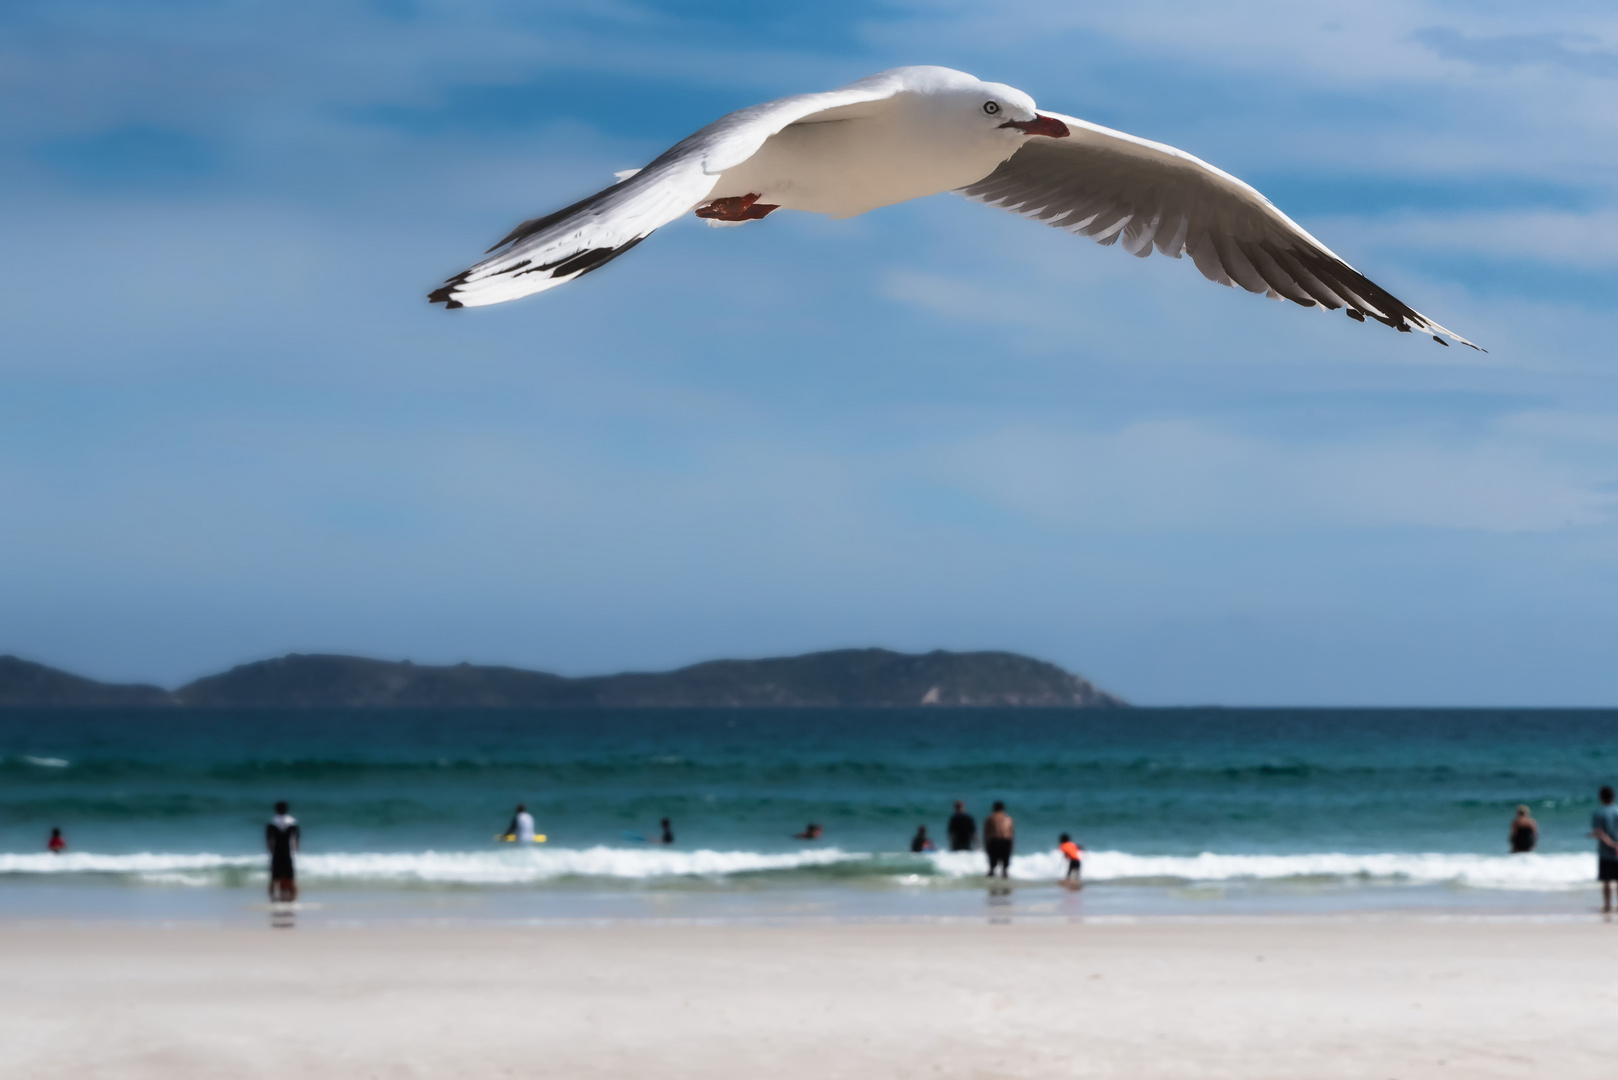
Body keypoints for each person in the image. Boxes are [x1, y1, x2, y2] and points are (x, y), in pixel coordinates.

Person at [266, 801, 300, 903]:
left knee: (274, 878)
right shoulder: (292, 822)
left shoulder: (272, 822)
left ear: (276, 809)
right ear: (286, 809)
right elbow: (296, 840)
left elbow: (269, 840)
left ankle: (272, 900)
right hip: (288, 853)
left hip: (276, 853)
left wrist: (271, 851)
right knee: (291, 878)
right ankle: (293, 900)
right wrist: (295, 851)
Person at [1591, 786, 1618, 913]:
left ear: (1601, 798)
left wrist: (1611, 844)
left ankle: (1607, 906)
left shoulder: (1599, 813)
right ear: (1613, 797)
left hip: (1605, 852)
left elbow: (1599, 832)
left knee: (1606, 881)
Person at [983, 801, 1014, 878]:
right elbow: (1011, 834)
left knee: (992, 867)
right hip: (1006, 841)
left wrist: (986, 846)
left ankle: (990, 885)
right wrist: (1011, 846)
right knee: (1005, 868)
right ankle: (1005, 885)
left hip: (994, 842)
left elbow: (986, 834)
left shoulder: (990, 818)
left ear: (994, 808)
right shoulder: (1009, 818)